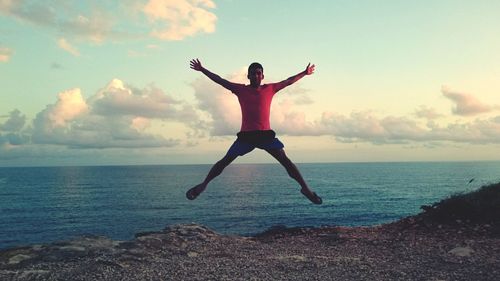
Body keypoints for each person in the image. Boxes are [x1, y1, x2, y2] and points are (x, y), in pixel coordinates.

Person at [186, 59, 322, 204]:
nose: (256, 76)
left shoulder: (270, 88)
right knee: (225, 161)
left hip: (265, 135)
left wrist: (305, 73)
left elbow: (288, 81)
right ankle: (203, 185)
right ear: (248, 76)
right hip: (247, 136)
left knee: (286, 162)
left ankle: (306, 189)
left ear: (262, 76)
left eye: (258, 73)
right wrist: (202, 69)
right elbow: (220, 80)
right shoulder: (240, 89)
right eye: (253, 74)